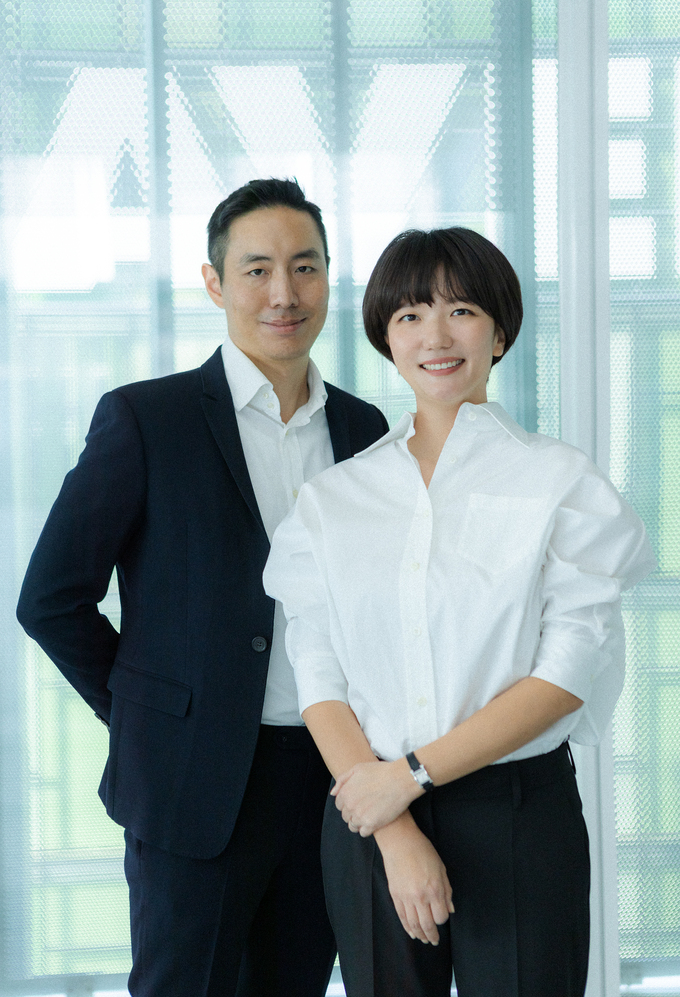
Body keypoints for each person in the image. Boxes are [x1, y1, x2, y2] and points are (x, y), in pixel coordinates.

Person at [16, 178, 388, 997]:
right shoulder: (148, 420)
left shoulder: (364, 431)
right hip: (191, 783)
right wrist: (153, 715)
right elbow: (50, 598)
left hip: (329, 780)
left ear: (329, 278)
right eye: (257, 270)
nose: (284, 293)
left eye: (305, 267)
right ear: (215, 283)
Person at [264, 226, 656, 997]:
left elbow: (567, 674)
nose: (435, 336)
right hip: (371, 814)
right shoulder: (335, 499)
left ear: (500, 332)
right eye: (410, 315)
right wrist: (390, 818)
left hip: (513, 810)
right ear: (386, 337)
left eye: (462, 311)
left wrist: (411, 775)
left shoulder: (559, 482)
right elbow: (319, 671)